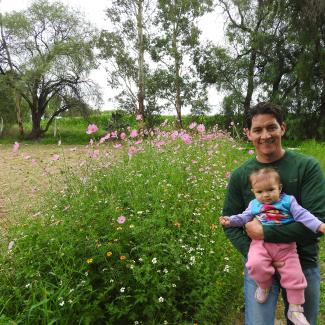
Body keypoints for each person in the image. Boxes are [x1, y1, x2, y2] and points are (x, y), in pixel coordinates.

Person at [222, 102, 325, 325]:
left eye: (271, 127)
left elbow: (316, 221)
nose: (265, 135)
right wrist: (255, 252)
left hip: (302, 262)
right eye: (257, 130)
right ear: (248, 133)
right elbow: (229, 221)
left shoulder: (307, 167)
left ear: (283, 128)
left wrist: (264, 233)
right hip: (259, 265)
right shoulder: (241, 175)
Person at [220, 167, 325, 325]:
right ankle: (264, 285)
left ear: (280, 188)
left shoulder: (288, 201)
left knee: (295, 276)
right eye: (260, 192)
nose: (266, 195)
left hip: (286, 246)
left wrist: (319, 226)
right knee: (254, 264)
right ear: (254, 192)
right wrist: (231, 220)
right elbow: (243, 217)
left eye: (270, 190)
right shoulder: (254, 205)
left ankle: (295, 310)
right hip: (260, 245)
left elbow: (304, 215)